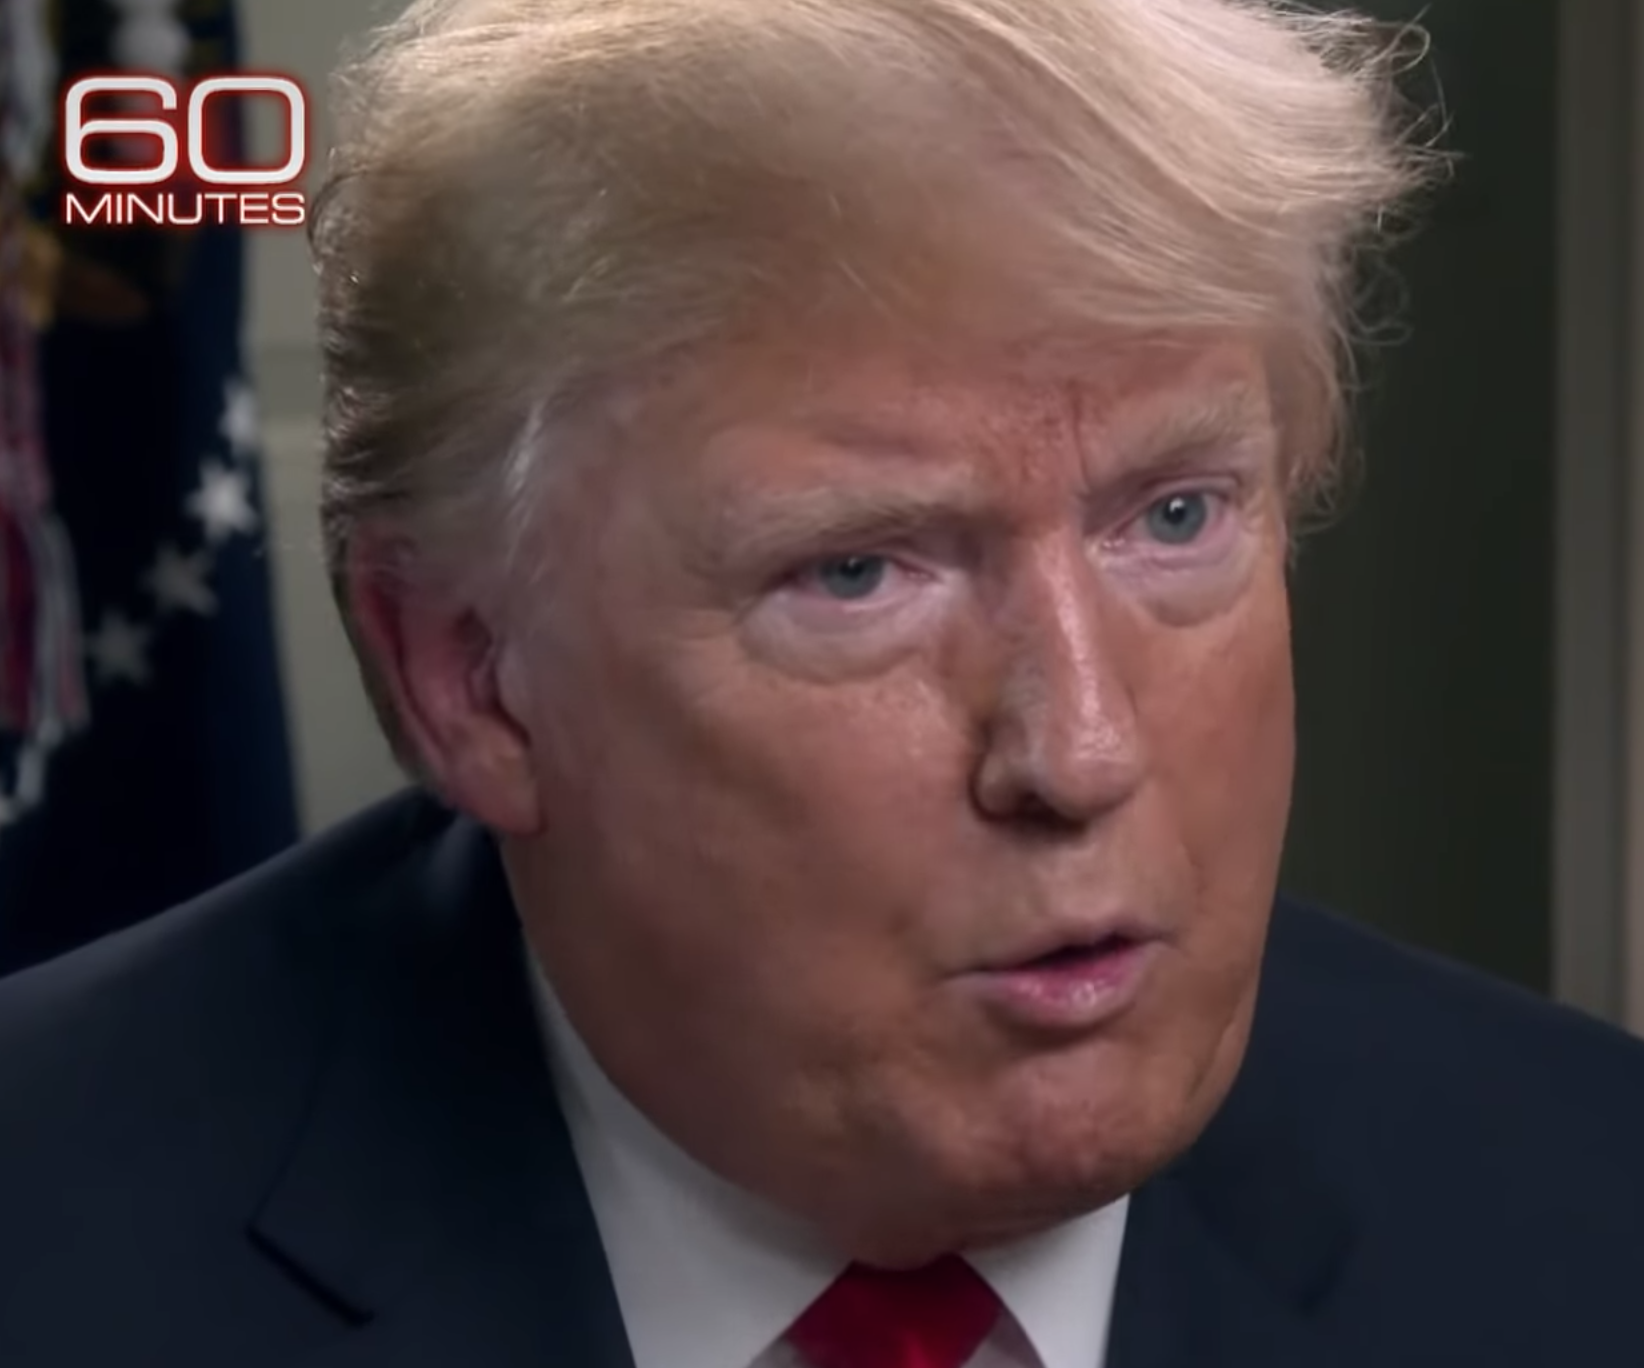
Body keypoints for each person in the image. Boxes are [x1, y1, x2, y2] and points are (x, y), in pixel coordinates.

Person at [2, 0, 1643, 1364]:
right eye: (858, 572)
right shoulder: (49, 1239)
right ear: (468, 674)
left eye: (1176, 517)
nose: (1080, 749)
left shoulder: (1594, 1209)